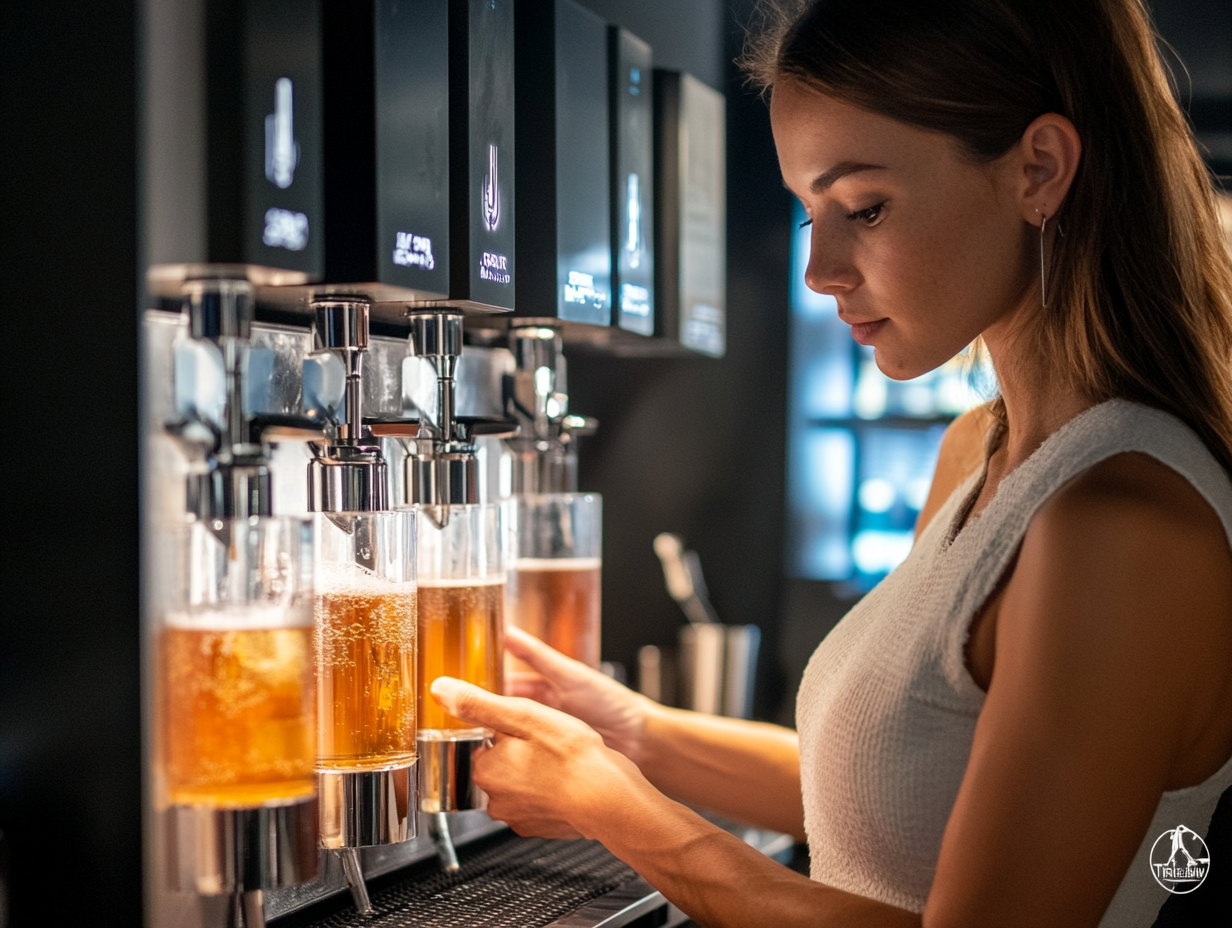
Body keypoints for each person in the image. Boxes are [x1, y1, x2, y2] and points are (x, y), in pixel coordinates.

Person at [429, 1, 1232, 924]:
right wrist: (632, 730)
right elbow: (906, 786)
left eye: (865, 208)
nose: (819, 269)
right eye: (810, 211)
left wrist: (622, 813)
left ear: (1039, 169)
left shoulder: (1121, 526)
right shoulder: (981, 451)